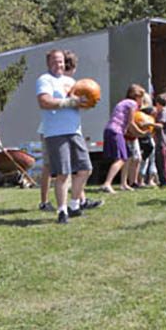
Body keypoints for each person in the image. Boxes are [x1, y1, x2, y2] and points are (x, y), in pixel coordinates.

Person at [35, 49, 102, 224]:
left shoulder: (71, 81)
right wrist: (70, 102)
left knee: (85, 169)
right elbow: (44, 102)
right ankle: (62, 211)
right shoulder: (45, 80)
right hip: (56, 132)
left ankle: (74, 205)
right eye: (55, 61)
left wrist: (89, 102)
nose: (59, 64)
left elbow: (79, 104)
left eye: (62, 61)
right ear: (49, 63)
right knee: (63, 173)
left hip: (75, 130)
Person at [101, 84, 147, 193]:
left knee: (125, 156)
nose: (142, 101)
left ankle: (124, 184)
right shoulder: (132, 103)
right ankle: (107, 183)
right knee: (121, 159)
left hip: (111, 130)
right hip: (116, 131)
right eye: (142, 98)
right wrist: (142, 133)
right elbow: (131, 123)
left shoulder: (123, 102)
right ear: (137, 97)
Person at [154, 93, 166, 186]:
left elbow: (160, 125)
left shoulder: (163, 113)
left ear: (158, 103)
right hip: (160, 141)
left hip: (163, 142)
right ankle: (162, 181)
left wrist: (148, 124)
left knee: (162, 162)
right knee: (159, 162)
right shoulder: (160, 112)